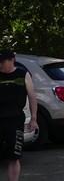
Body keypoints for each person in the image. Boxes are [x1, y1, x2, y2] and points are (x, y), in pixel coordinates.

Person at [0, 50, 37, 181]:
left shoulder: (23, 74)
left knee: (14, 157)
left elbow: (32, 97)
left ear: (12, 60)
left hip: (15, 120)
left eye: (3, 62)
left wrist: (33, 119)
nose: (0, 65)